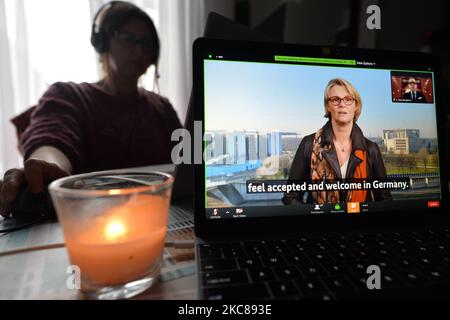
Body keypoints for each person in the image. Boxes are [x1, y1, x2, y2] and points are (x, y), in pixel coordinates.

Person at [0, 1, 182, 217]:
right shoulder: (69, 95)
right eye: (128, 39)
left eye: (146, 43)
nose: (139, 50)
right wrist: (46, 167)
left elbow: (187, 163)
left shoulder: (162, 108)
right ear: (102, 42)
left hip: (159, 214)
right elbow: (51, 139)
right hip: (91, 219)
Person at [282, 78, 392, 205]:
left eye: (348, 99)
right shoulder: (308, 144)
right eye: (335, 99)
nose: (342, 104)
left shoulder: (370, 149)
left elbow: (385, 200)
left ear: (356, 105)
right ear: (328, 106)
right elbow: (290, 196)